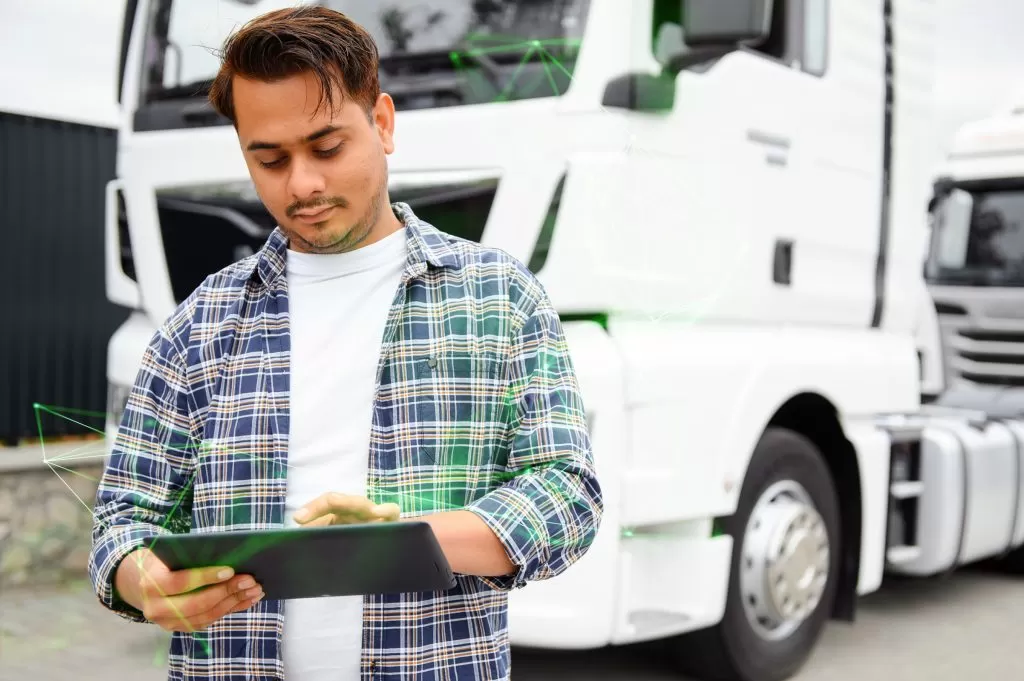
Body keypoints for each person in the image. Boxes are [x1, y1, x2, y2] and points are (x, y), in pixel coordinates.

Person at [88, 5, 602, 681]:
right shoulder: (200, 322)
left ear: (382, 123)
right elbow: (121, 517)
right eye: (269, 159)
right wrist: (137, 577)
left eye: (326, 148)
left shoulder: (499, 298)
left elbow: (567, 494)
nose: (301, 183)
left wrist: (401, 543)